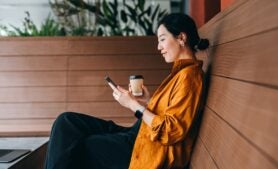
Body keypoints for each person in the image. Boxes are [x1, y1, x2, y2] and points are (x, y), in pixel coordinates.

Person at [44, 13, 209, 169]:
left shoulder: (190, 77)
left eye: (162, 39)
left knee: (84, 146)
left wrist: (133, 106)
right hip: (138, 135)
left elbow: (171, 131)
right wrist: (147, 101)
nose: (159, 47)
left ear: (181, 37)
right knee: (66, 121)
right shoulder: (180, 73)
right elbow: (171, 113)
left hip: (146, 150)